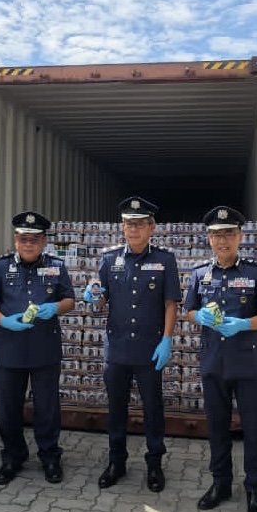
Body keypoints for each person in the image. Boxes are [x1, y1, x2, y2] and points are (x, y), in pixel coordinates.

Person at [183, 207, 257, 512]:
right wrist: (200, 317)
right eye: (216, 234)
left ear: (239, 236)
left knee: (252, 429)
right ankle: (220, 484)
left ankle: (254, 488)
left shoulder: (254, 272)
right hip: (214, 363)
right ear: (208, 238)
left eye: (228, 234)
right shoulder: (199, 273)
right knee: (218, 428)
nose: (222, 240)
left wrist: (244, 323)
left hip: (247, 363)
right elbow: (189, 311)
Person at [82, 196, 181, 492]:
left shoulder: (165, 260)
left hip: (150, 349)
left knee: (153, 408)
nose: (133, 229)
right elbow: (100, 301)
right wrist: (92, 296)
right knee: (116, 408)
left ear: (152, 227)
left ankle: (154, 464)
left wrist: (166, 340)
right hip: (118, 348)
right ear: (122, 227)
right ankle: (117, 462)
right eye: (129, 224)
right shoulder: (109, 259)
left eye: (140, 224)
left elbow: (170, 303)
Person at [0, 211, 76, 486]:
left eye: (34, 239)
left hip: (44, 350)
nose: (28, 243)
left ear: (44, 241)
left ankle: (50, 456)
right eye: (23, 238)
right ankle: (13, 456)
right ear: (15, 239)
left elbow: (70, 299)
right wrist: (3, 320)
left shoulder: (57, 267)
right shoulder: (0, 268)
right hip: (8, 350)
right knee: (8, 408)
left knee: (47, 408)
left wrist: (54, 307)